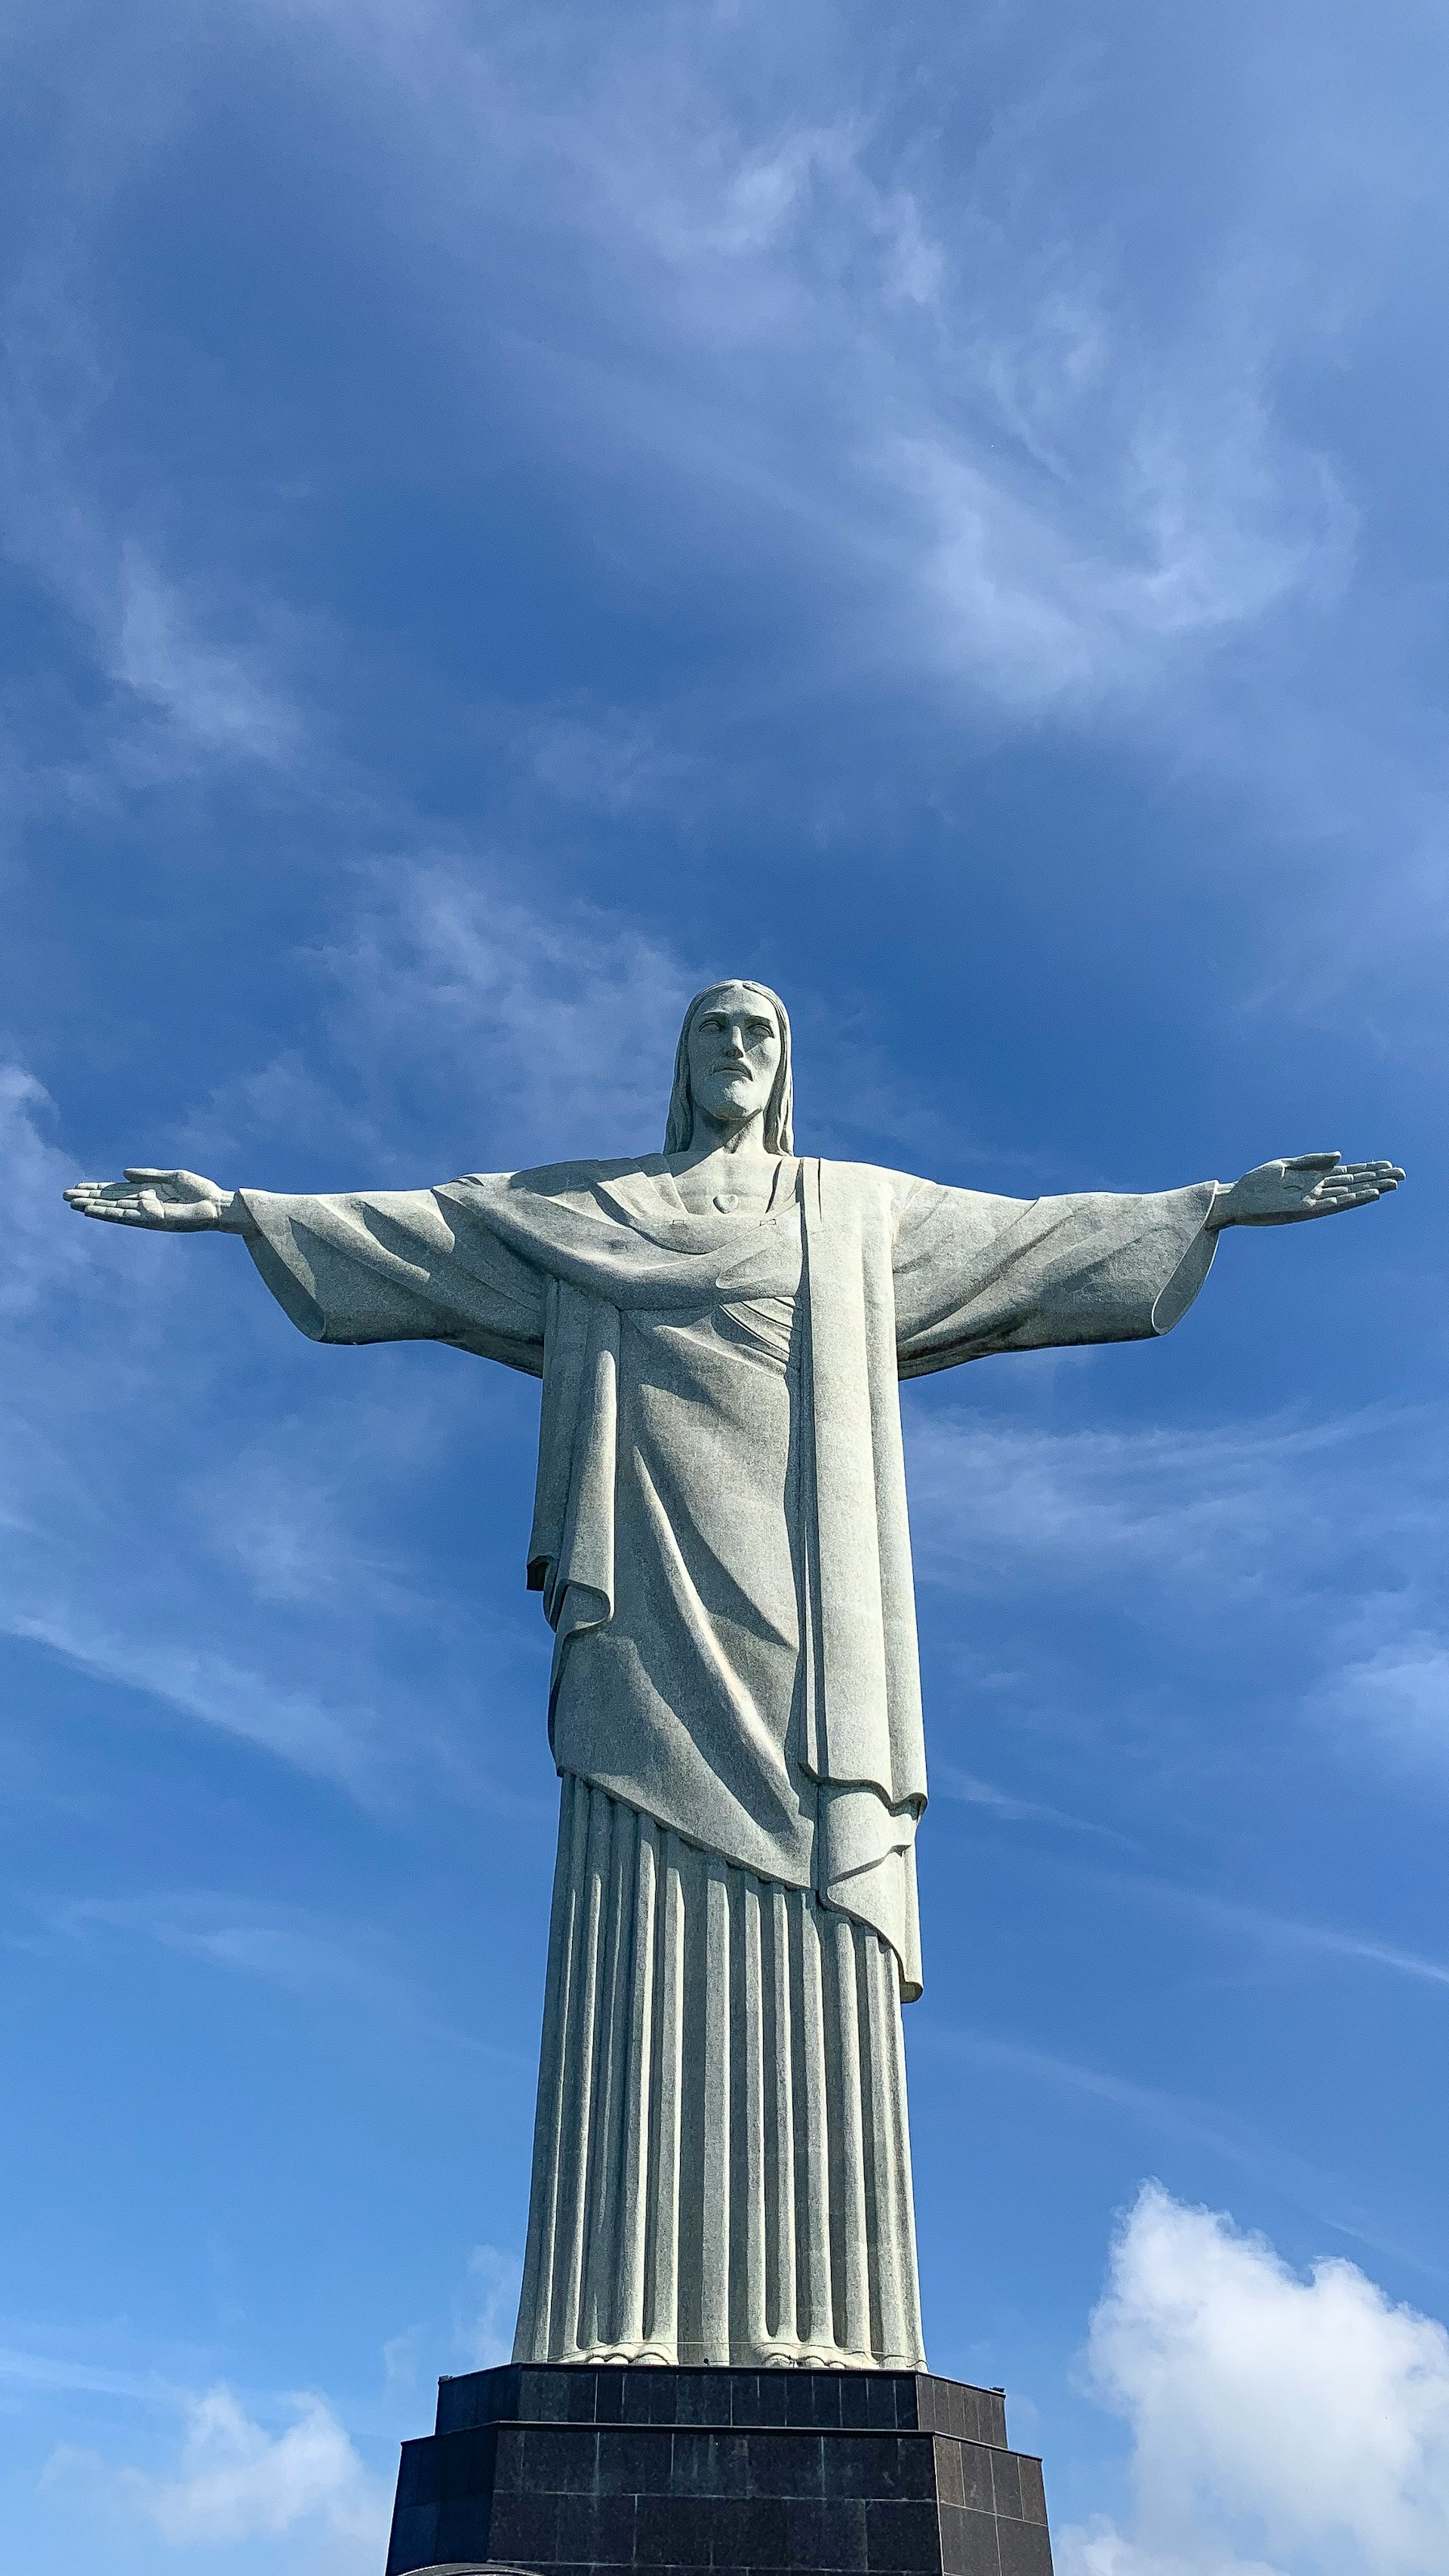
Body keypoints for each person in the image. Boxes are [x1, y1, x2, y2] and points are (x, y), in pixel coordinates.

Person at [66, 979, 1402, 2372]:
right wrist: (242, 1210)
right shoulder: (588, 1211)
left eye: (762, 1032)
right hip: (644, 1603)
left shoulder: (852, 1213)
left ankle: (828, 2322)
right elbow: (436, 1228)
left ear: (787, 1064)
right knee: (639, 1925)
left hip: (810, 1623)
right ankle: (616, 2316)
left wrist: (1208, 1206)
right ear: (681, 1059)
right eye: (717, 1029)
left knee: (809, 1932)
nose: (740, 1051)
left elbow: (1029, 1242)